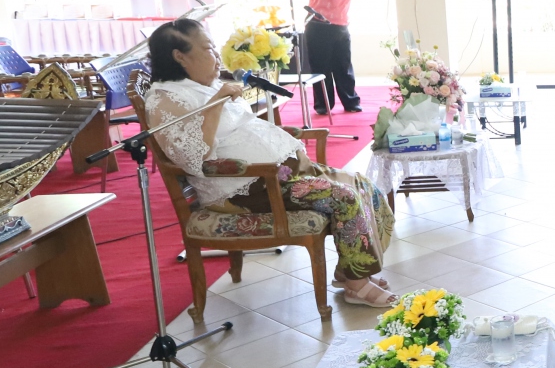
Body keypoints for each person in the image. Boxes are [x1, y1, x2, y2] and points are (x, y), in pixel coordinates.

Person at [144, 19, 395, 305]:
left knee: (364, 186)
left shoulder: (203, 85)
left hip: (281, 175)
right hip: (249, 187)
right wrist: (217, 101)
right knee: (344, 197)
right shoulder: (165, 99)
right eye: (207, 48)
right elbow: (194, 157)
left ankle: (350, 270)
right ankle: (357, 285)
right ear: (180, 56)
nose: (216, 55)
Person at [305, 0, 365, 115]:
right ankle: (323, 105)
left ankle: (351, 102)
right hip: (319, 27)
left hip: (341, 27)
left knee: (344, 66)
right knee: (321, 67)